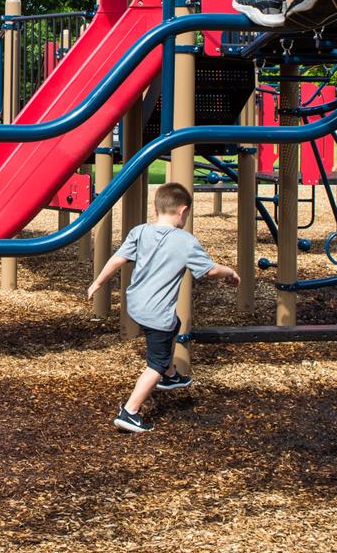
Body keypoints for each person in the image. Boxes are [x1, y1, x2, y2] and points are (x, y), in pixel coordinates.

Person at [86, 183, 241, 433]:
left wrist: (98, 283)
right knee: (155, 363)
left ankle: (169, 375)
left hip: (135, 304)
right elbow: (209, 271)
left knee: (175, 323)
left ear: (156, 208)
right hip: (156, 313)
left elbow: (117, 259)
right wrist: (230, 272)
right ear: (183, 211)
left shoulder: (139, 232)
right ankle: (130, 412)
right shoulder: (185, 241)